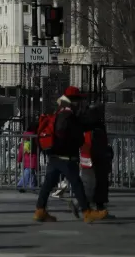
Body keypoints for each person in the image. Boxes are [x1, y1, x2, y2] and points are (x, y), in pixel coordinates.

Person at [34, 87, 107, 223]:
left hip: (55, 156)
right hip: (66, 156)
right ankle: (87, 212)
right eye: (79, 99)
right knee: (77, 184)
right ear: (73, 100)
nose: (80, 103)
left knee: (48, 184)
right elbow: (70, 131)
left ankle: (40, 210)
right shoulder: (67, 114)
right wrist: (77, 140)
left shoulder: (60, 111)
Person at [16, 125, 38, 193]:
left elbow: (21, 150)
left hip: (26, 159)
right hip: (33, 159)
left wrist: (19, 159)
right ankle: (21, 185)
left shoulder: (24, 138)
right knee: (28, 172)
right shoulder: (35, 137)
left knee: (31, 173)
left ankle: (33, 186)